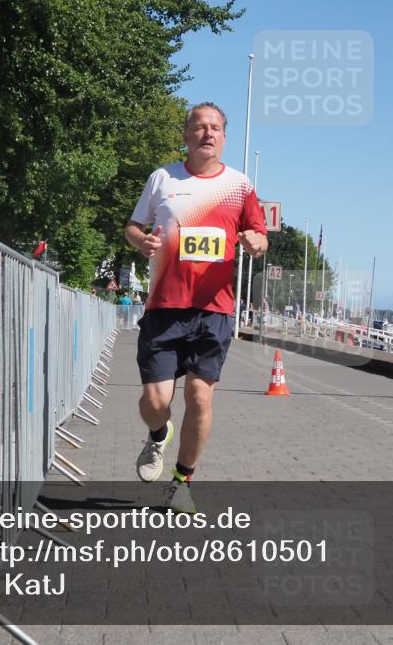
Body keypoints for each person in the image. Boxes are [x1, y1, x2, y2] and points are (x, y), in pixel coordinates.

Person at [124, 102, 267, 512]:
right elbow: (133, 227)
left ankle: (181, 482)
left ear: (224, 137)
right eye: (199, 127)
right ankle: (157, 436)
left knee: (201, 399)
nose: (208, 133)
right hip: (164, 307)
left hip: (214, 310)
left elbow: (258, 234)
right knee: (155, 402)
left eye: (216, 128)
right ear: (186, 135)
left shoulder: (239, 185)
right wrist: (141, 240)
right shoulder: (163, 178)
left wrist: (258, 243)